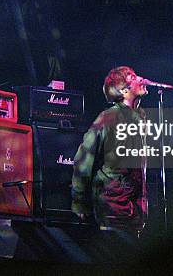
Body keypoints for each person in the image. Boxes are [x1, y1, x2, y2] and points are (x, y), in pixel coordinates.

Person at [71, 66, 148, 230]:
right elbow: (83, 159)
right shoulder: (108, 118)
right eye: (133, 77)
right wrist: (79, 201)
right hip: (113, 204)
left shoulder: (140, 118)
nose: (141, 78)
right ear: (124, 90)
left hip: (134, 206)